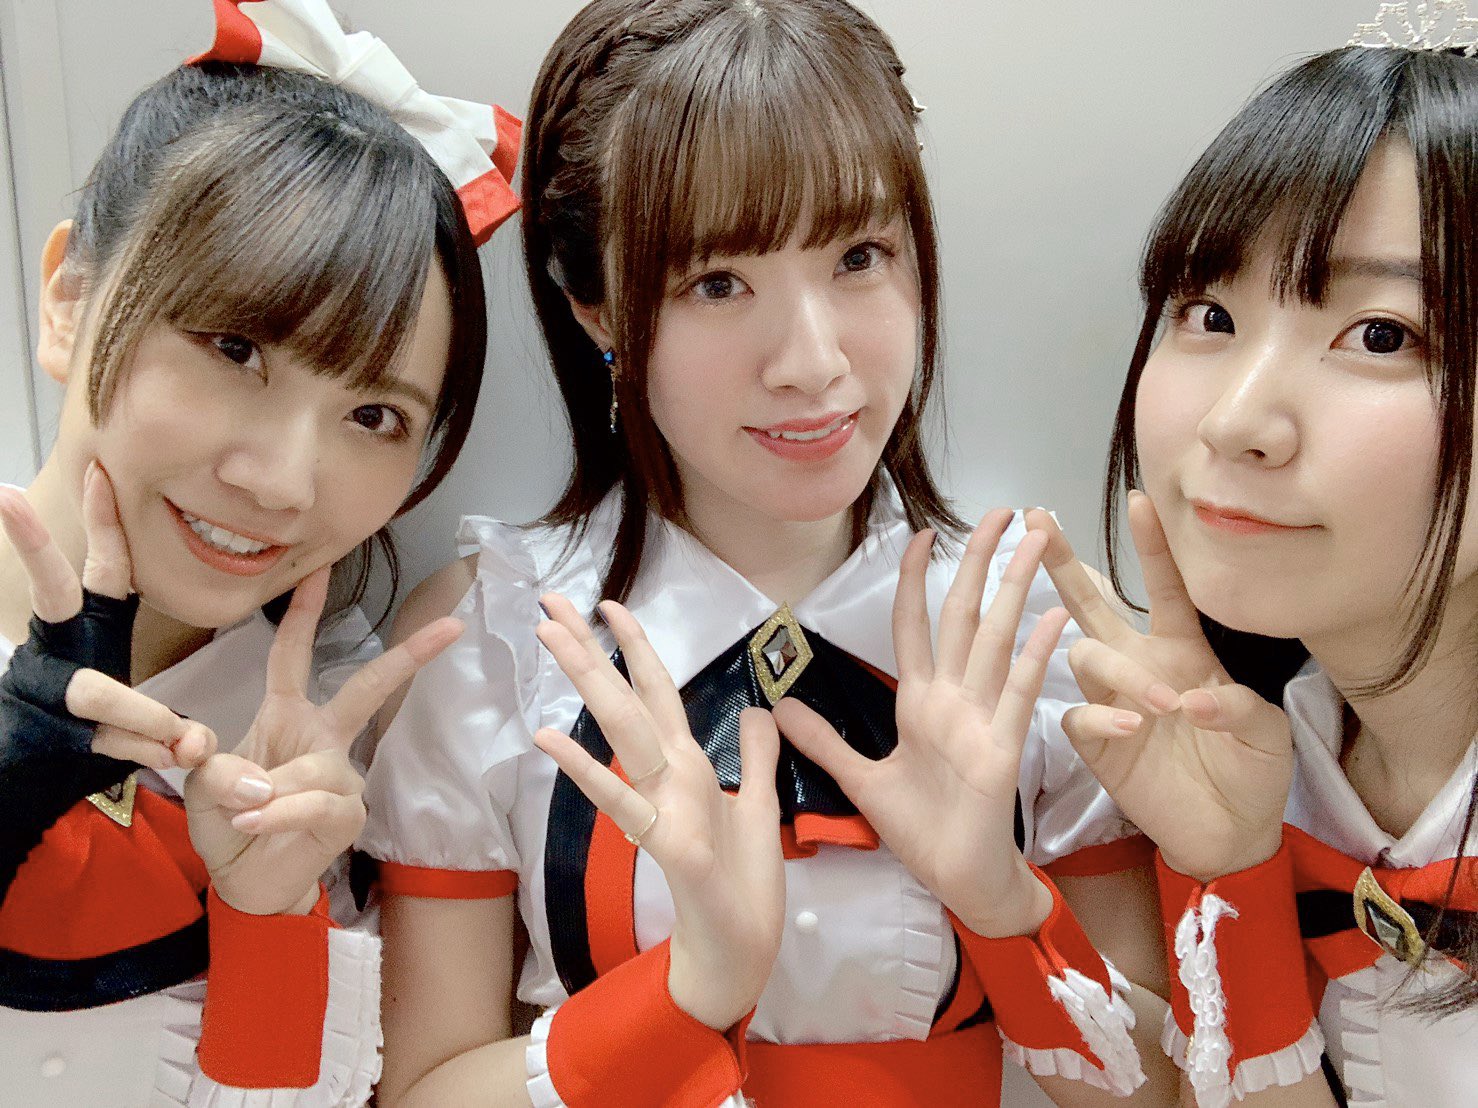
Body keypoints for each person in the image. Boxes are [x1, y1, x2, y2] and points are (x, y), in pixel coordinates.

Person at [361, 2, 1177, 1104]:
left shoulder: (1017, 628)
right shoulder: (495, 642)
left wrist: (1003, 906)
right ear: (594, 307)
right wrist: (685, 995)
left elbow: (1156, 1094)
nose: (811, 361)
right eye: (717, 282)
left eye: (858, 256)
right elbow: (423, 1088)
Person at [0, 0, 519, 1103]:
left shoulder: (332, 750)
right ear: (69, 299)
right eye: (235, 347)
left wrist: (266, 915)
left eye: (374, 416)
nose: (284, 482)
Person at [1028, 7, 1478, 1106]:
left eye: (1379, 334)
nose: (1234, 422)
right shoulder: (1250, 757)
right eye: (1208, 313)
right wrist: (1223, 873)